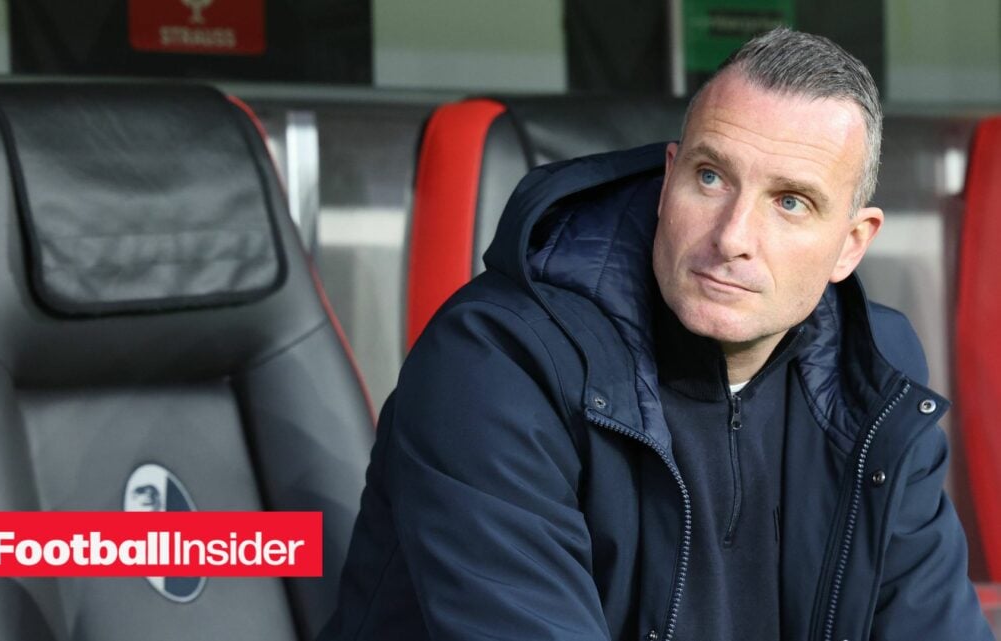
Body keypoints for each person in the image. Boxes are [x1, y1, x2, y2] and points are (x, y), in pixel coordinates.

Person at [318, 28, 992, 641]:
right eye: (710, 177)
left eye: (790, 201)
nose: (732, 237)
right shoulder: (495, 363)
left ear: (851, 244)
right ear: (667, 179)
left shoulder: (872, 378)